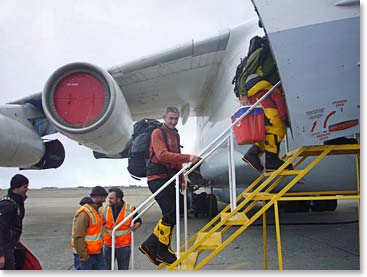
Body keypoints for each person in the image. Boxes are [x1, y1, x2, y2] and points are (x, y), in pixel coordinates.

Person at [139, 106, 200, 266]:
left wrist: (181, 178)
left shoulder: (175, 134)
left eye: (176, 119)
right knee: (171, 213)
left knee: (175, 212)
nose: (173, 121)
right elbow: (162, 155)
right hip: (157, 178)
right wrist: (189, 157)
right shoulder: (157, 133)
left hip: (170, 178)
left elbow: (176, 160)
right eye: (171, 118)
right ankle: (161, 250)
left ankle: (152, 246)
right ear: (164, 117)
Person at [241, 74, 292, 171]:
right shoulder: (268, 89)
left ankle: (252, 154)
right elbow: (279, 101)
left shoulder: (250, 95)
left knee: (265, 137)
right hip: (272, 116)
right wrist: (284, 116)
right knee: (276, 134)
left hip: (260, 119)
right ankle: (271, 160)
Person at [102, 187, 142, 270]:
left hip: (124, 245)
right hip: (108, 244)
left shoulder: (130, 209)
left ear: (118, 199)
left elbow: (139, 221)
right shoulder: (105, 209)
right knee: (106, 268)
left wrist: (135, 226)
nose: (108, 200)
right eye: (108, 198)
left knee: (123, 269)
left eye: (111, 198)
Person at [71, 186, 107, 270]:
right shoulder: (84, 213)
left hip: (97, 253)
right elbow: (78, 236)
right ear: (98, 197)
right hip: (87, 255)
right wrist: (84, 256)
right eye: (103, 198)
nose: (104, 201)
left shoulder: (96, 211)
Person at [0, 174, 29, 270]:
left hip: (10, 246)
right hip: (5, 250)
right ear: (16, 187)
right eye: (25, 187)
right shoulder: (8, 205)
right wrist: (1, 255)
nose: (27, 189)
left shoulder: (17, 203)